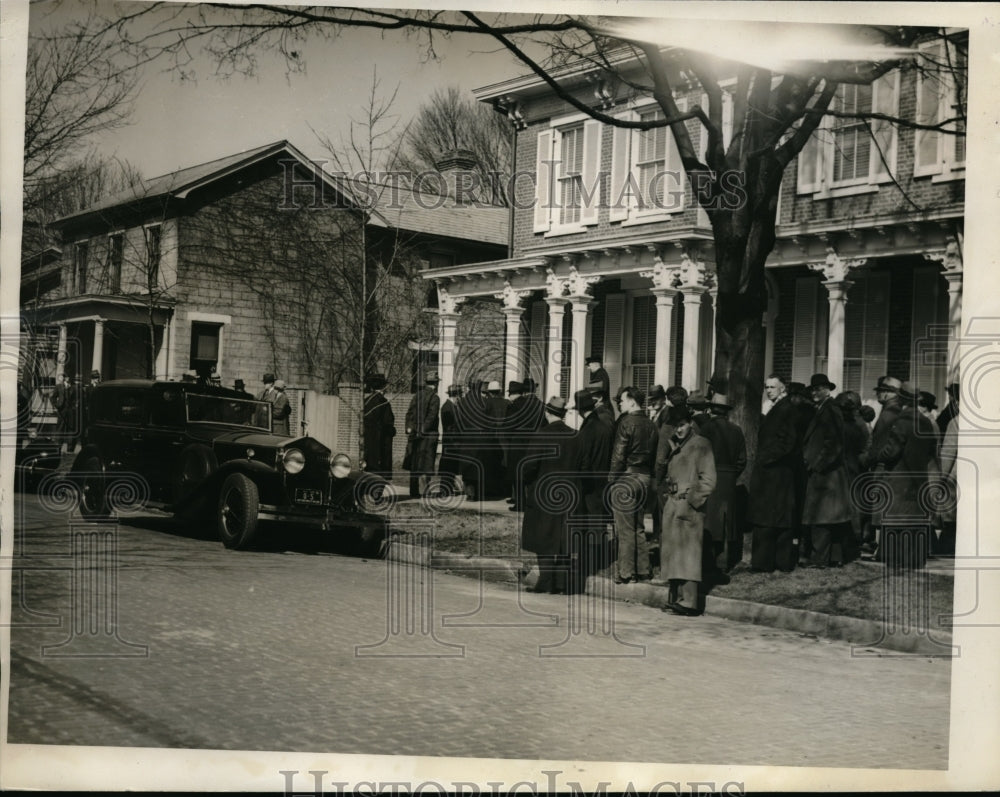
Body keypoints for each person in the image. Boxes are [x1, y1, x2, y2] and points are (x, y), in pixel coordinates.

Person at [655, 404, 716, 616]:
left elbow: (708, 480)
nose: (678, 430)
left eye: (682, 425)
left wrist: (691, 500)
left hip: (687, 506)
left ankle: (690, 602)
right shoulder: (678, 445)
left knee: (689, 554)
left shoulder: (701, 444)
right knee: (674, 553)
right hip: (673, 504)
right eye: (675, 426)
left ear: (691, 423)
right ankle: (676, 598)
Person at [872, 382, 938, 568]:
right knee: (915, 521)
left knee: (897, 521)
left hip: (900, 476)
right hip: (919, 477)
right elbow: (932, 451)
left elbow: (892, 451)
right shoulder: (925, 421)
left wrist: (878, 455)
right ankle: (915, 560)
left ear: (901, 399)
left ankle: (896, 560)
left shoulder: (902, 421)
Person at [521, 396, 579, 594]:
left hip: (544, 492)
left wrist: (528, 482)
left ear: (547, 413)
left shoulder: (541, 435)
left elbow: (529, 466)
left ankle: (545, 582)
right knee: (562, 538)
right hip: (568, 492)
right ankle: (562, 584)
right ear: (562, 415)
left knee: (543, 537)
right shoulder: (575, 435)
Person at [749, 374, 801, 573]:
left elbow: (788, 442)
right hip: (775, 472)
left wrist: (766, 459)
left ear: (782, 389)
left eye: (772, 387)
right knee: (775, 518)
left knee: (773, 518)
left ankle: (769, 562)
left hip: (777, 473)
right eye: (767, 387)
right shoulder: (776, 408)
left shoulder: (787, 409)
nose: (768, 390)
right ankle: (775, 561)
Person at [800, 374, 853, 568]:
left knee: (821, 518)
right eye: (813, 389)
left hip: (827, 474)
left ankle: (819, 559)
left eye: (818, 388)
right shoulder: (825, 409)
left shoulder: (830, 410)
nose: (814, 392)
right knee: (829, 517)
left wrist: (817, 465)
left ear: (827, 390)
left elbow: (834, 443)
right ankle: (833, 557)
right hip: (829, 473)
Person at [607, 386, 658, 584]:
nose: (619, 402)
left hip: (626, 477)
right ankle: (644, 570)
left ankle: (626, 572)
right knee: (638, 526)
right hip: (644, 477)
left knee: (624, 528)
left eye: (622, 399)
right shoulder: (652, 424)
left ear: (632, 402)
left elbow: (618, 455)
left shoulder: (626, 422)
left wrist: (612, 478)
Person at [696, 392, 747, 576]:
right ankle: (723, 562)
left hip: (709, 478)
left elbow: (698, 456)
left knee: (709, 521)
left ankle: (708, 563)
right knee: (726, 522)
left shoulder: (706, 429)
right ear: (726, 412)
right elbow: (742, 460)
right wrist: (731, 474)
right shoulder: (736, 430)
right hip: (728, 480)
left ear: (711, 410)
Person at [572, 388, 614, 592]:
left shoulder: (587, 430)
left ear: (580, 410)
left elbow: (584, 459)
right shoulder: (604, 426)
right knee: (598, 521)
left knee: (587, 523)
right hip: (602, 478)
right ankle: (598, 558)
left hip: (589, 482)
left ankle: (589, 562)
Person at [861, 375, 904, 556]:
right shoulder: (896, 411)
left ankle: (881, 550)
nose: (879, 394)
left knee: (880, 510)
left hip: (882, 467)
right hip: (892, 467)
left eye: (881, 391)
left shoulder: (888, 414)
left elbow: (878, 445)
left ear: (888, 393)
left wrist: (868, 460)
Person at [835, 390, 870, 561]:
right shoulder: (861, 424)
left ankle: (850, 545)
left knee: (851, 509)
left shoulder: (855, 425)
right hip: (855, 470)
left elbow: (864, 449)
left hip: (851, 470)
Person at [505, 377, 545, 510]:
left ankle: (520, 502)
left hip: (518, 443)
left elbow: (508, 426)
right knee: (533, 472)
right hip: (536, 442)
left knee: (518, 473)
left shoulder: (516, 405)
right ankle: (533, 501)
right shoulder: (541, 405)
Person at [404, 370, 441, 498]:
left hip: (414, 435)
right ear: (436, 384)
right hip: (428, 436)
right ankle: (425, 492)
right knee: (426, 464)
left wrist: (410, 429)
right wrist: (423, 430)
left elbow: (409, 414)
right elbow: (431, 417)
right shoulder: (435, 398)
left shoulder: (416, 396)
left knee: (415, 463)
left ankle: (413, 492)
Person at [363, 374, 395, 478]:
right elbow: (388, 423)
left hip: (368, 440)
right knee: (380, 469)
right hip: (381, 441)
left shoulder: (366, 401)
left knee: (369, 466)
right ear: (383, 387)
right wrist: (392, 431)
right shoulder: (383, 402)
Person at [482, 380, 510, 499]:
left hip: (491, 436)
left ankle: (491, 490)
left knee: (491, 464)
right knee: (505, 462)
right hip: (504, 436)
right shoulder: (507, 403)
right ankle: (505, 490)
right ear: (499, 391)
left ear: (489, 392)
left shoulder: (486, 403)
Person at [437, 384, 464, 494]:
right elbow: (449, 426)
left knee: (450, 466)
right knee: (447, 466)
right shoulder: (447, 407)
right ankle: (444, 489)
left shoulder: (452, 406)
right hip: (451, 441)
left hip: (453, 441)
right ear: (456, 395)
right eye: (460, 395)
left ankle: (447, 489)